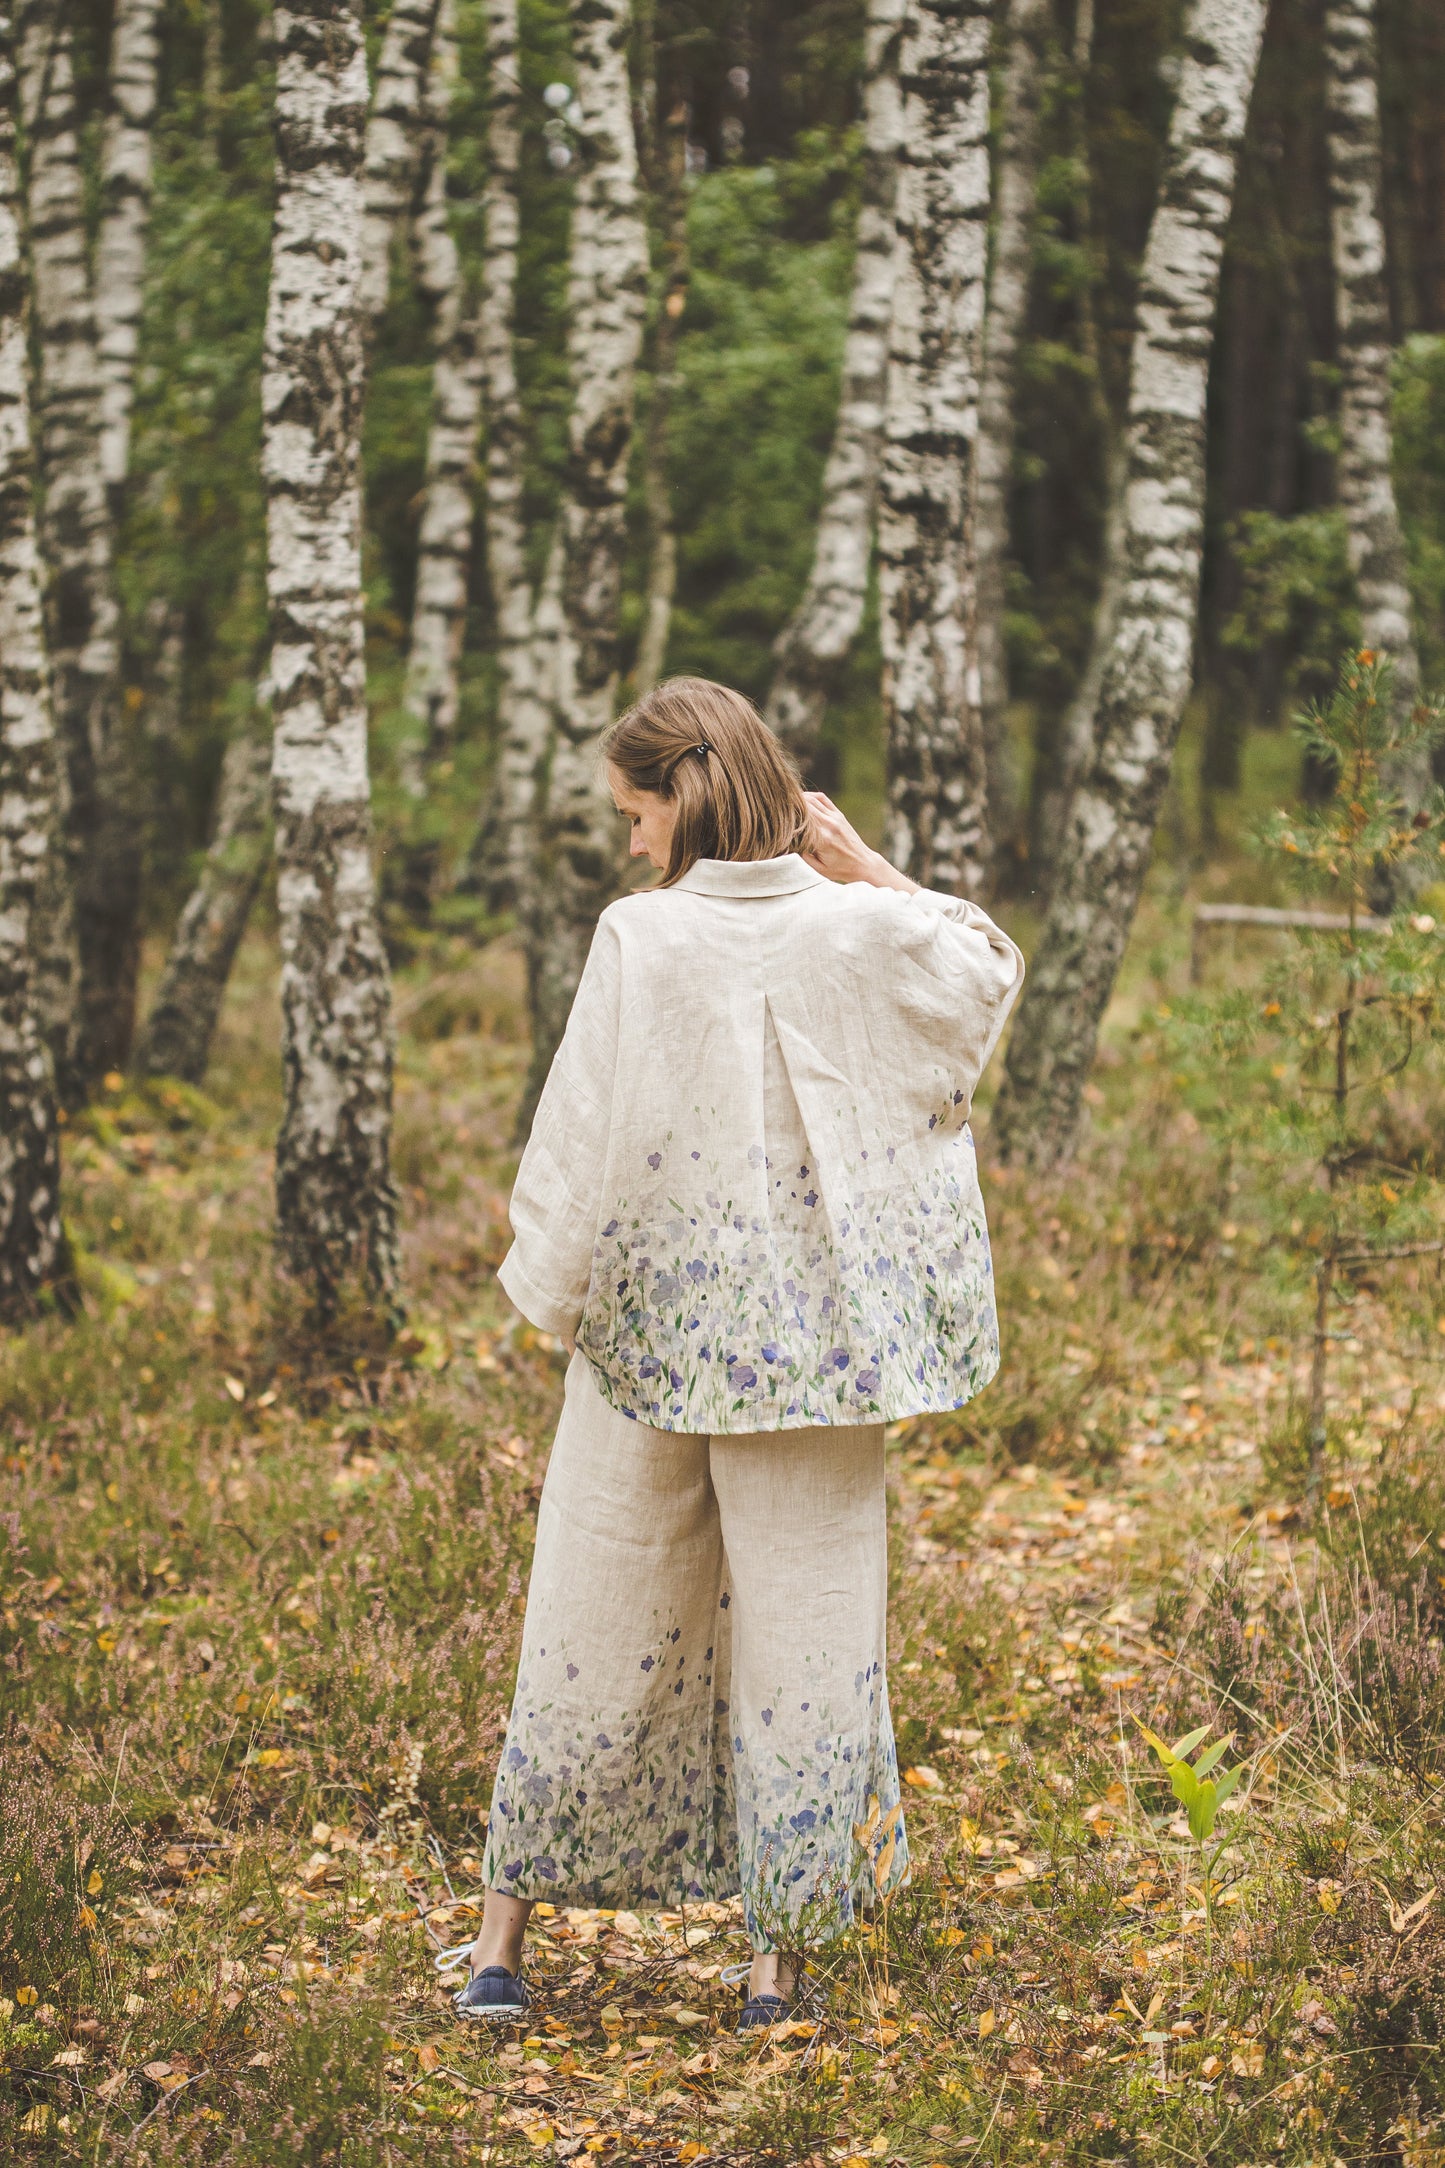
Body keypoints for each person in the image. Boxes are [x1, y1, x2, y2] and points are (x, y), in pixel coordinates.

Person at [442, 678, 1023, 2029]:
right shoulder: (862, 929)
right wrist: (856, 856)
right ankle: (776, 1972)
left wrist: (555, 1292)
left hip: (651, 1330)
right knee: (810, 1630)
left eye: (634, 813)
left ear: (681, 796)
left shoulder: (641, 938)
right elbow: (978, 974)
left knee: (588, 1607)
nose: (632, 843)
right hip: (818, 1353)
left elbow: (581, 1139)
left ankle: (500, 1952)